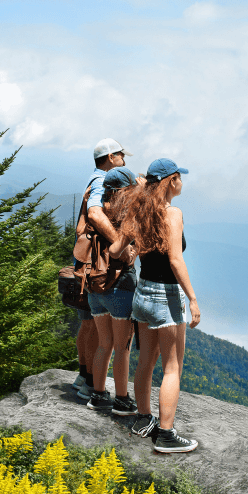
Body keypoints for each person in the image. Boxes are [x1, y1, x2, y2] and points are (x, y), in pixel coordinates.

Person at [110, 158, 201, 453]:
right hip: (167, 296)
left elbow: (114, 250)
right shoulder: (172, 213)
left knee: (146, 361)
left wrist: (134, 246)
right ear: (171, 180)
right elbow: (175, 259)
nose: (182, 183)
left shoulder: (137, 211)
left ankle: (143, 419)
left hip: (143, 294)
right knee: (172, 368)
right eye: (180, 178)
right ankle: (166, 434)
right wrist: (193, 299)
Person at [77, 138, 132, 401]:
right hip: (111, 273)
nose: (124, 159)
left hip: (91, 273)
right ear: (111, 157)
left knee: (100, 337)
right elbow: (96, 214)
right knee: (120, 346)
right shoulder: (102, 181)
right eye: (121, 155)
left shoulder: (92, 179)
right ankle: (117, 398)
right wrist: (121, 245)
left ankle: (91, 386)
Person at [85, 166, 141, 416]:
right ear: (125, 189)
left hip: (93, 284)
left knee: (104, 344)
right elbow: (131, 252)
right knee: (122, 347)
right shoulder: (126, 214)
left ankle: (97, 395)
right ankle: (121, 400)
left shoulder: (96, 211)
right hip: (120, 285)